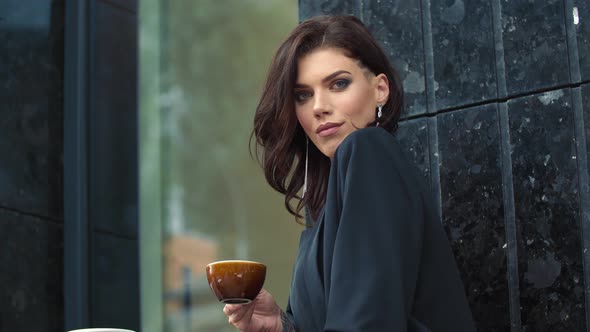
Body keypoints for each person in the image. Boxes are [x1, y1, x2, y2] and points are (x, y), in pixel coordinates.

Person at [223, 15, 475, 331]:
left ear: (380, 89)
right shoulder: (326, 215)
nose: (319, 106)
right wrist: (281, 326)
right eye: (303, 95)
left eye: (338, 83)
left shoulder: (369, 150)